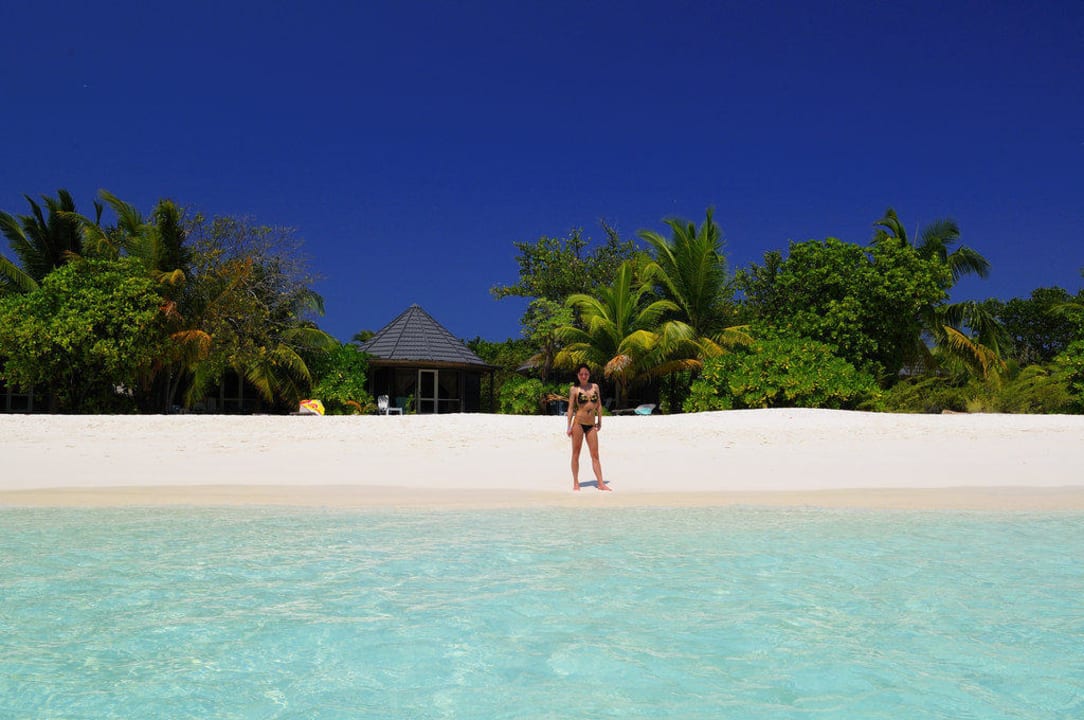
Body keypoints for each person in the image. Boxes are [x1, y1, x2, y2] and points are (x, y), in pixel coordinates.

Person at [565, 364, 611, 491]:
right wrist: (568, 426)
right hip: (578, 424)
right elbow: (570, 408)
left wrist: (600, 421)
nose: (584, 376)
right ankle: (576, 482)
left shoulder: (595, 387)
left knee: (595, 454)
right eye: (581, 374)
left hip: (591, 425)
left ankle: (601, 483)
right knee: (576, 454)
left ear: (589, 374)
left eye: (586, 374)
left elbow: (599, 406)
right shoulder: (574, 389)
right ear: (578, 375)